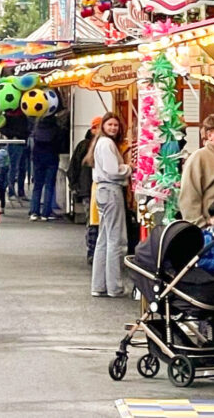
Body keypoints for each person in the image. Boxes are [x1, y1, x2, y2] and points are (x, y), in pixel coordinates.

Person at [88, 113, 131, 297]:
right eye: (110, 124)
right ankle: (115, 286)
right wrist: (129, 168)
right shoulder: (107, 144)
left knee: (103, 239)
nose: (113, 128)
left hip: (102, 190)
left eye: (116, 125)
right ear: (103, 126)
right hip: (111, 190)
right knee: (116, 240)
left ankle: (99, 285)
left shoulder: (100, 143)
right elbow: (113, 171)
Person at [69, 118, 101, 261]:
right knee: (93, 221)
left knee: (92, 221)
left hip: (86, 188)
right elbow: (73, 168)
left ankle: (93, 251)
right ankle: (92, 251)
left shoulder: (85, 145)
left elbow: (73, 168)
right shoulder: (85, 146)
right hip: (87, 188)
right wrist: (75, 186)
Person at [29, 112, 64, 221]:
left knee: (37, 186)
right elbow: (60, 144)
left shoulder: (36, 128)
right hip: (52, 158)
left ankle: (34, 212)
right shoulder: (56, 129)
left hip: (38, 158)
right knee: (49, 186)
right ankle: (46, 213)